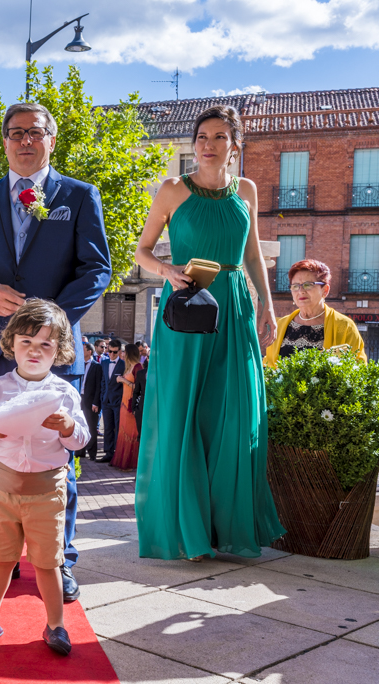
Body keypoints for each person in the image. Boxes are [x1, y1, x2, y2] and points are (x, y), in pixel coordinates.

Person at [0, 101, 112, 597]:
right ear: (4, 141)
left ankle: (59, 560)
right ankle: (0, 556)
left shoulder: (79, 196)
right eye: (14, 133)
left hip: (56, 353)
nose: (24, 141)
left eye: (33, 132)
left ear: (50, 140)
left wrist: (53, 322)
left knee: (60, 456)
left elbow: (96, 268)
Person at [133, 104, 284, 561]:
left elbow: (253, 255)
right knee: (185, 412)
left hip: (235, 307)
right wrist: (166, 269)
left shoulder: (248, 190)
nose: (209, 144)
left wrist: (268, 308)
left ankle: (224, 528)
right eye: (202, 136)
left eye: (219, 136)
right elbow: (141, 251)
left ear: (234, 146)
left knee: (233, 415)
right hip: (189, 308)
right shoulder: (172, 190)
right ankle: (187, 530)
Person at [0, 299, 88, 656]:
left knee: (48, 563)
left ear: (60, 350)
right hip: (3, 489)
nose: (34, 351)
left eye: (45, 345)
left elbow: (79, 439)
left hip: (47, 492)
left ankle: (55, 625)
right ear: (11, 344)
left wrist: (67, 427)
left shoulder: (65, 393)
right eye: (26, 342)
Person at [265, 259, 367, 366]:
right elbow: (269, 365)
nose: (301, 291)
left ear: (325, 290)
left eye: (308, 285)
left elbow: (357, 367)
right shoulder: (280, 326)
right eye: (295, 286)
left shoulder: (344, 326)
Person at [111, 343, 143, 471]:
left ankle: (131, 463)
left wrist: (123, 380)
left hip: (131, 404)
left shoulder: (138, 367)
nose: (122, 354)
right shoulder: (128, 367)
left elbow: (139, 387)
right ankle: (122, 461)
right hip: (123, 404)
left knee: (131, 433)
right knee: (122, 432)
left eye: (124, 352)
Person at [99, 338, 125, 463]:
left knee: (118, 428)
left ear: (119, 351)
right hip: (106, 402)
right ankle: (108, 453)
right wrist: (102, 397)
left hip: (118, 402)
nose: (112, 354)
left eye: (115, 352)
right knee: (108, 428)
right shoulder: (104, 363)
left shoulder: (124, 365)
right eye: (110, 351)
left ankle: (117, 453)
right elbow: (103, 382)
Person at [77, 342, 103, 460]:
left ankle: (92, 453)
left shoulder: (96, 366)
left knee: (91, 427)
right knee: (79, 424)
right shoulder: (79, 364)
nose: (80, 352)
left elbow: (99, 386)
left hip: (91, 401)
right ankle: (80, 451)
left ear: (89, 352)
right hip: (79, 399)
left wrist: (96, 402)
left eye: (83, 350)